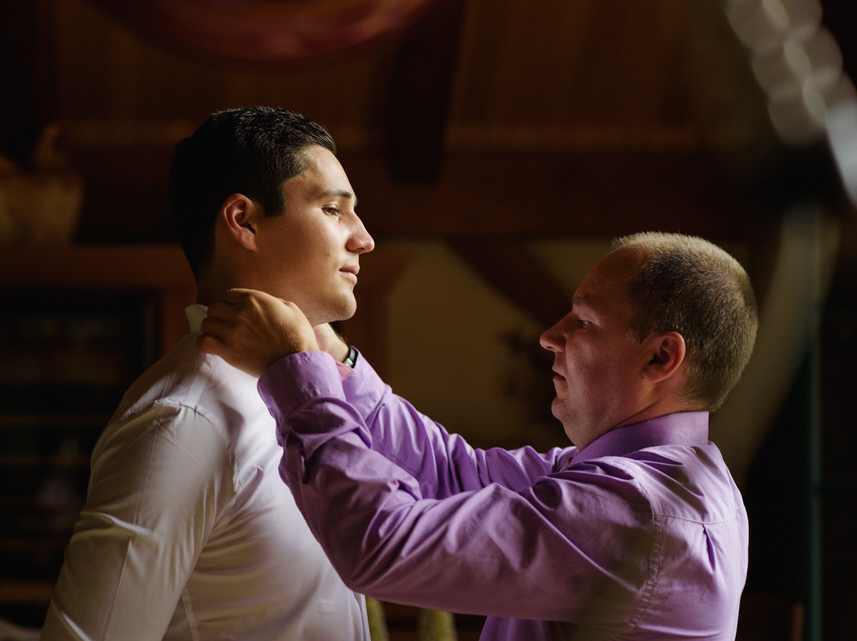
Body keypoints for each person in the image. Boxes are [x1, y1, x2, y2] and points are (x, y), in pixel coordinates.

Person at [197, 232, 759, 641]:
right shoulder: (627, 476)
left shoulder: (644, 512)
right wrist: (333, 356)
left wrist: (294, 368)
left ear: (662, 356)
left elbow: (382, 545)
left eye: (583, 322)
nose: (549, 336)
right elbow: (448, 472)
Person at [40, 106, 376, 641]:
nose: (364, 239)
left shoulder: (316, 399)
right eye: (334, 210)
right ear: (243, 221)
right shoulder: (181, 420)